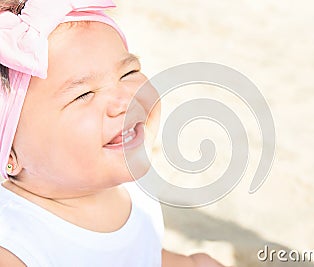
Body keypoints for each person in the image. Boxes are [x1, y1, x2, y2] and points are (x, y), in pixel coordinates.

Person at [0, 0, 227, 266]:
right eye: (83, 94)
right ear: (9, 154)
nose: (126, 100)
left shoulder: (131, 189)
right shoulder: (15, 248)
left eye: (128, 73)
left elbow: (139, 254)